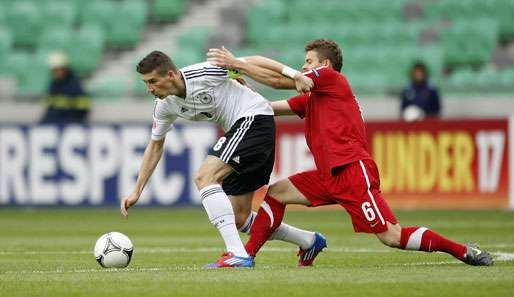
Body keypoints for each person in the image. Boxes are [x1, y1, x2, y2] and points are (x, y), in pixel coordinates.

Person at [207, 39, 493, 266]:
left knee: (391, 236)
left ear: (325, 65)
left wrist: (237, 64)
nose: (303, 67)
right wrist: (243, 92)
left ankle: (463, 251)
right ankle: (248, 255)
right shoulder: (313, 99)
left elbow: (282, 80)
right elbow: (269, 107)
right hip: (329, 176)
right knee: (278, 192)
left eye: (308, 62)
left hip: (352, 172)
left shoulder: (332, 81)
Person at [120, 50, 321, 268]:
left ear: (170, 75)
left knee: (204, 177)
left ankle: (237, 254)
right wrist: (137, 190)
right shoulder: (164, 105)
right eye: (146, 83)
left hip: (253, 119)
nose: (149, 89)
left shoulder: (204, 73)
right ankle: (308, 240)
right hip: (245, 130)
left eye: (152, 82)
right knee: (240, 218)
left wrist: (295, 75)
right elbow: (155, 145)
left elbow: (253, 61)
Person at [40, 52, 91, 124]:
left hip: (70, 124)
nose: (56, 72)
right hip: (54, 123)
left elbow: (83, 108)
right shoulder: (53, 84)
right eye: (54, 70)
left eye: (58, 69)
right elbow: (50, 108)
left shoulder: (74, 85)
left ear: (64, 68)